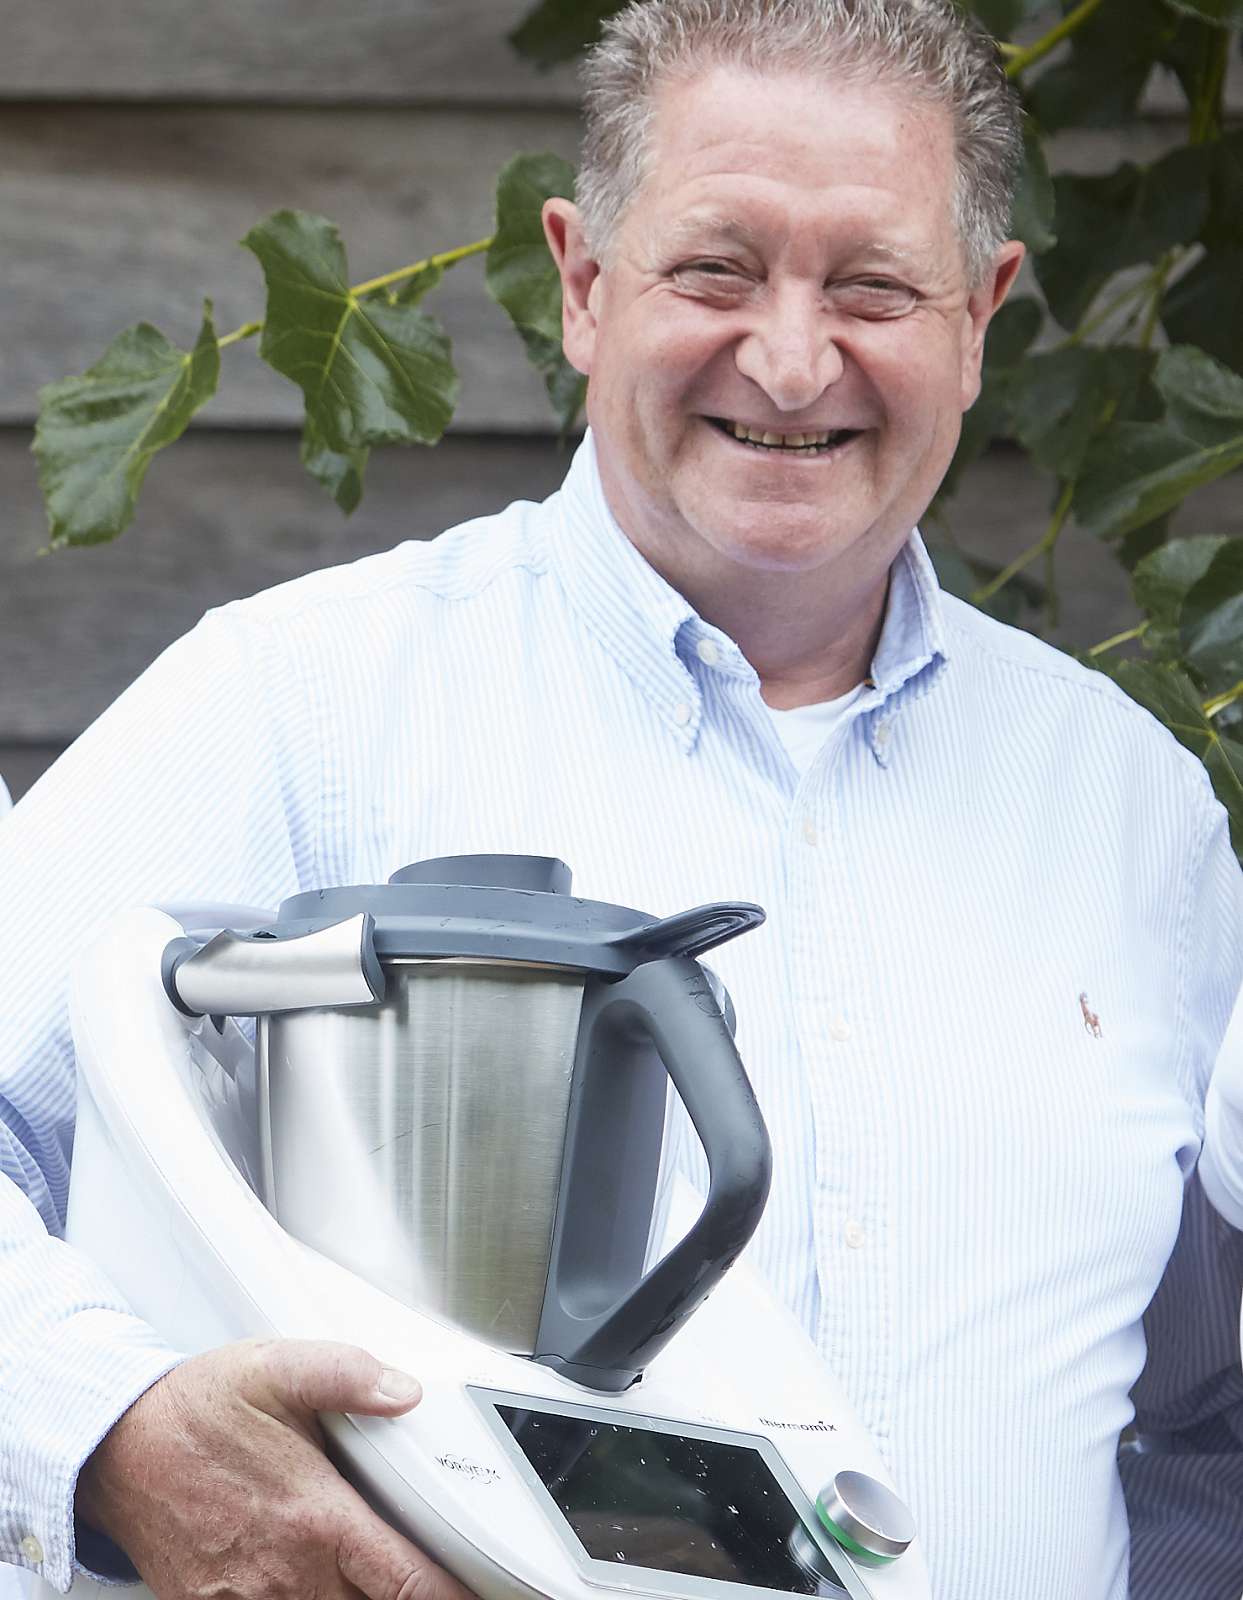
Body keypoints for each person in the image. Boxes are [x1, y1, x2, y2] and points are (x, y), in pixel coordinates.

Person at [1, 2, 1241, 1597]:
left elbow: (1207, 1413)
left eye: (873, 286)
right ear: (584, 284)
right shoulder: (300, 706)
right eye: (717, 270)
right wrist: (117, 1433)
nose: (791, 360)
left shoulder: (1135, 809)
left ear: (981, 317)